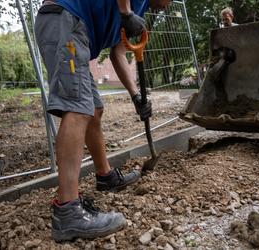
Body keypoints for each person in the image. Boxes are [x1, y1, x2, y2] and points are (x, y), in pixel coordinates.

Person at [35, 0, 172, 242]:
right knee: (77, 108)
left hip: (73, 28)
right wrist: (125, 11)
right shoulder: (130, 6)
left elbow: (118, 53)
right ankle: (67, 211)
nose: (169, 4)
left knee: (94, 108)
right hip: (64, 18)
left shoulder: (139, 8)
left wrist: (135, 95)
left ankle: (105, 176)